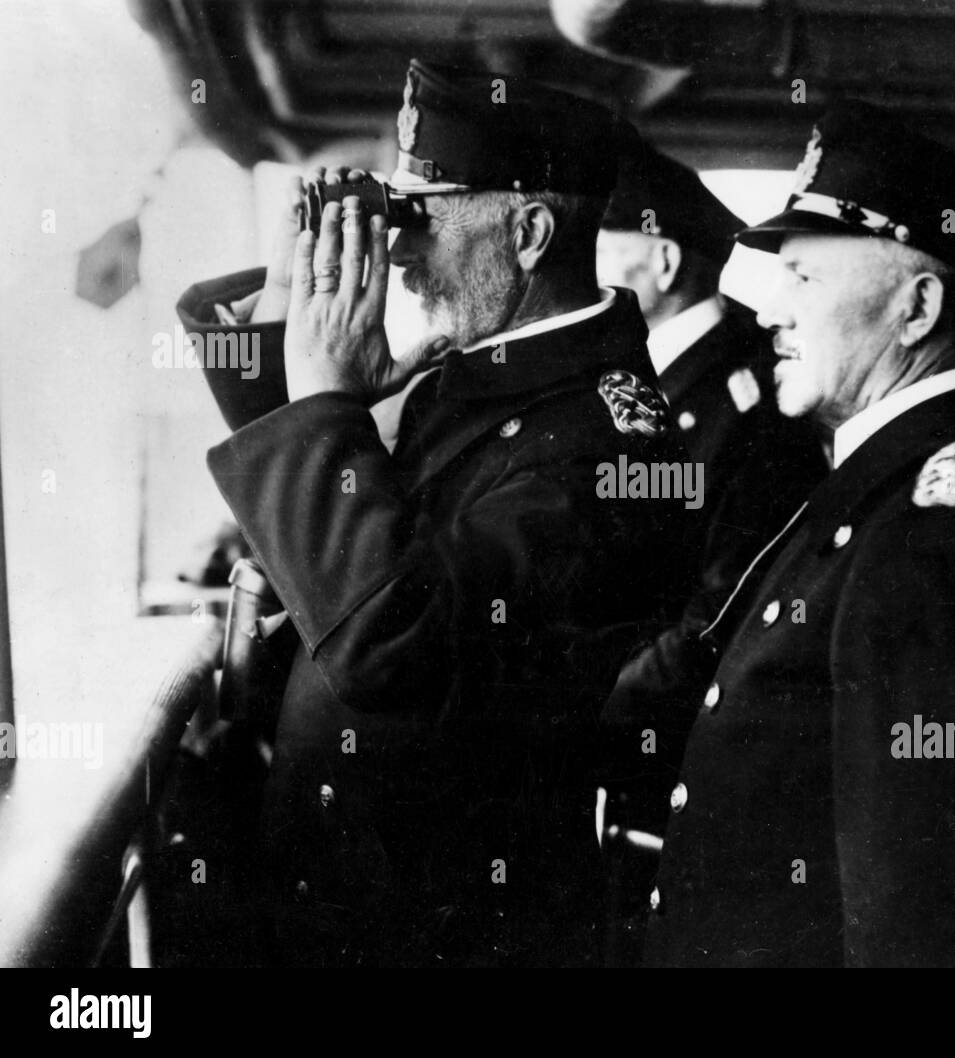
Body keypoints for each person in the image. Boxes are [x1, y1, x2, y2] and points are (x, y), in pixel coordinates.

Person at [172, 60, 700, 967]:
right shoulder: (482, 376)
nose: (402, 250)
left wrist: (328, 410)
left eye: (422, 214)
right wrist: (303, 290)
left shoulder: (614, 446)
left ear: (529, 230)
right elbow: (333, 538)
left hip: (455, 927)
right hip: (354, 894)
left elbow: (396, 639)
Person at [639, 101, 955, 967]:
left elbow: (931, 908)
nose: (768, 314)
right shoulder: (895, 474)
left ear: (917, 306)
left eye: (804, 280)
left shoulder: (951, 519)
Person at [593, 143, 826, 957]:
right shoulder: (642, 384)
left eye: (603, 241)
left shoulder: (749, 400)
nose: (585, 264)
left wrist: (590, 710)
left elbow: (723, 614)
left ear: (661, 260)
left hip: (684, 763)